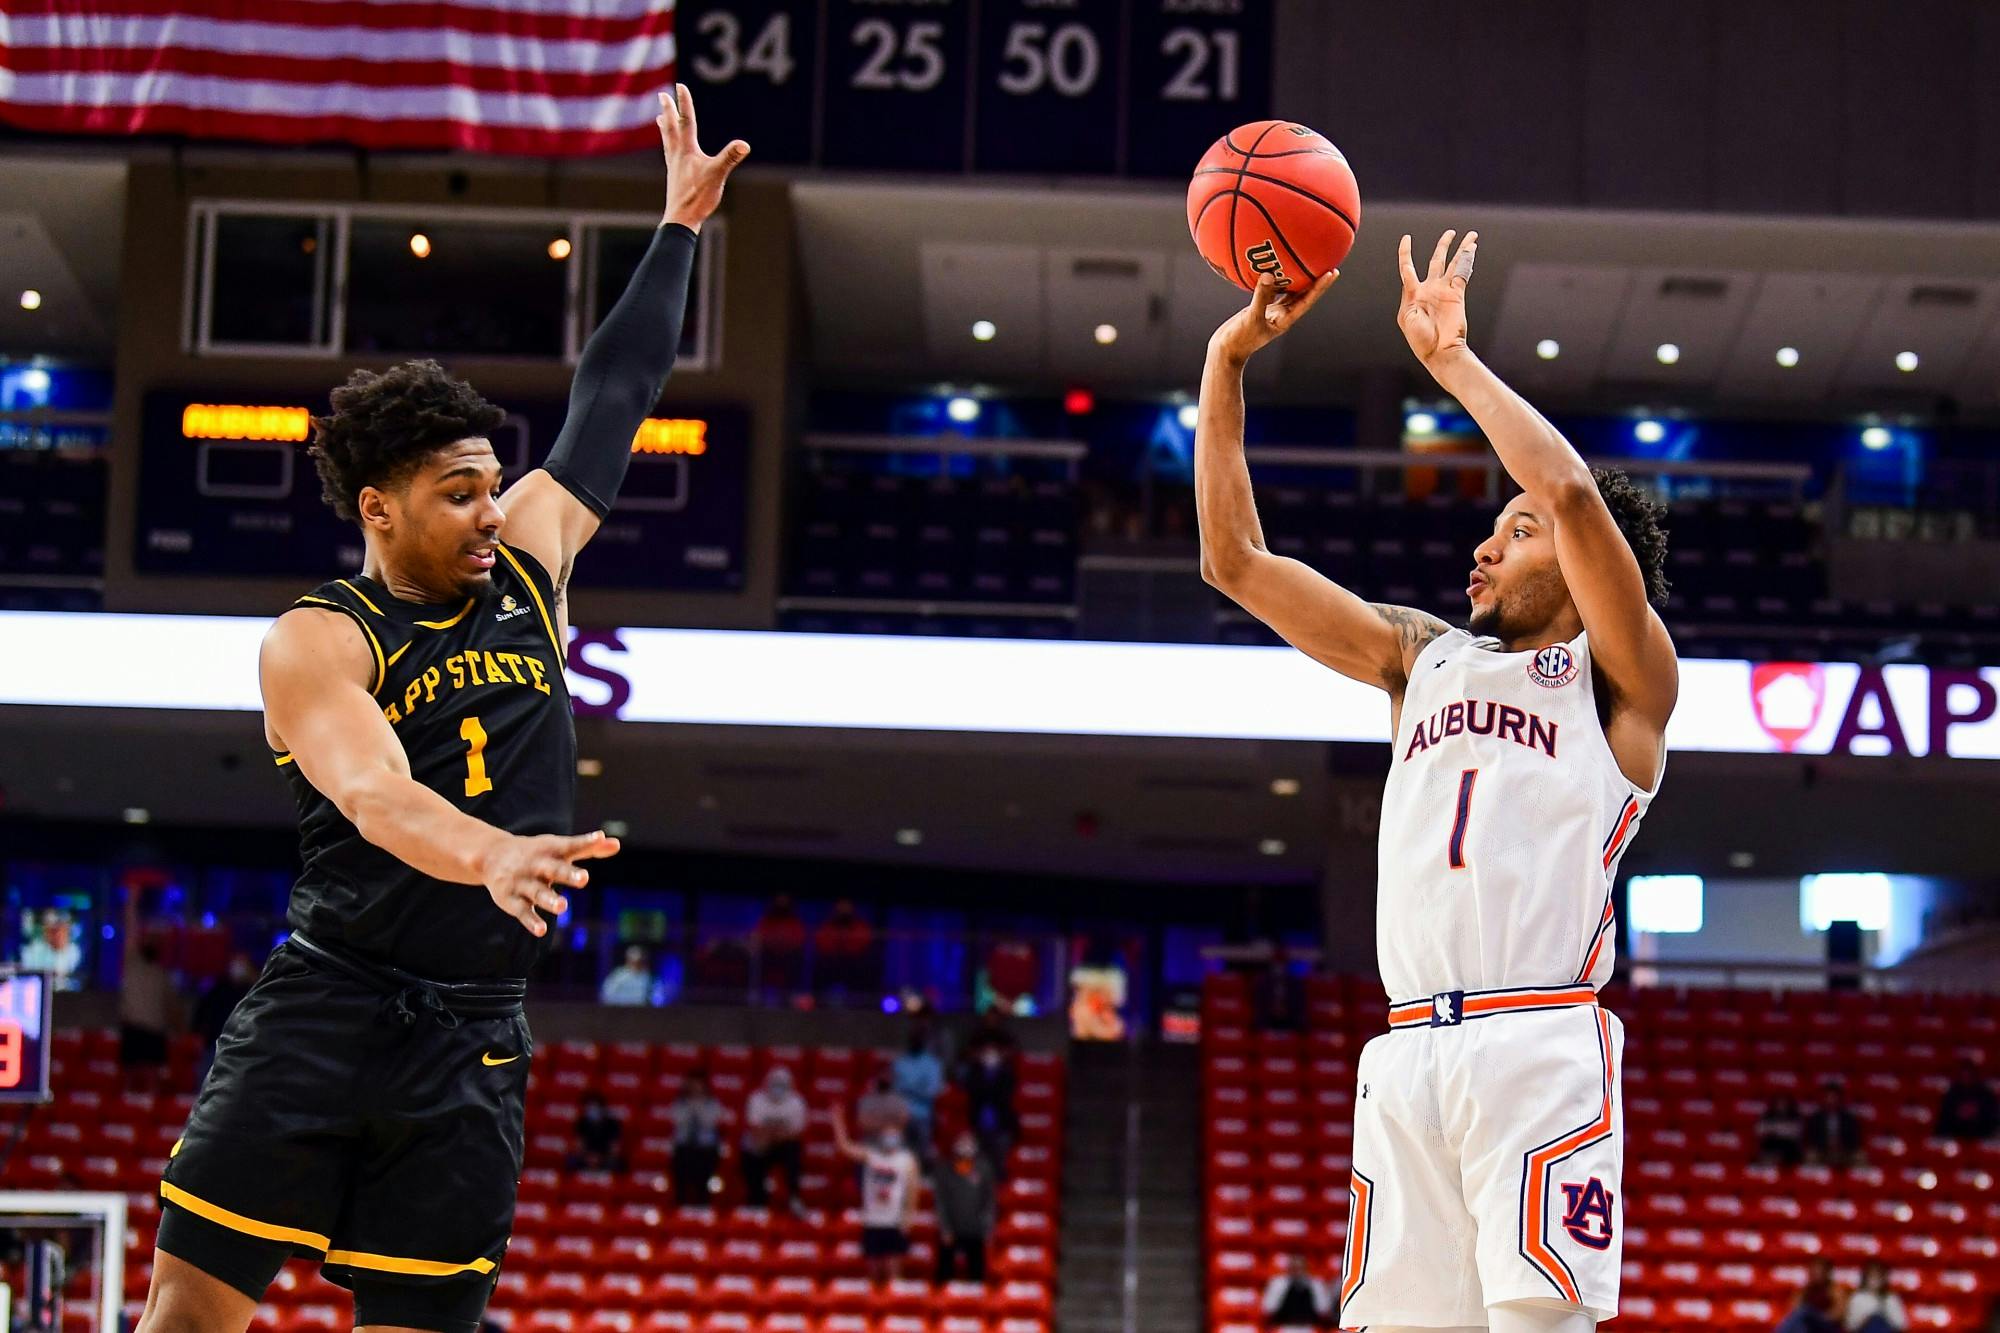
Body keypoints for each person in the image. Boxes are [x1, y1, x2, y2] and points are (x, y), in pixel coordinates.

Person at [140, 87, 748, 1333]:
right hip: (326, 1005)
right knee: (189, 1316)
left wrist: (677, 231)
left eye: (491, 484)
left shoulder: (528, 563)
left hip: (472, 1036)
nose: (490, 511)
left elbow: (614, 393)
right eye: (459, 492)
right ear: (378, 507)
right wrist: (493, 855)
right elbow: (374, 795)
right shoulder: (319, 638)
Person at [1196, 231, 1678, 1333]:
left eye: (1515, 531)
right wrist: (1226, 363)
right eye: (1491, 529)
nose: (1484, 547)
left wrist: (1452, 362)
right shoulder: (1421, 657)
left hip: (1537, 1041)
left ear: (1581, 564)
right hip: (1407, 1047)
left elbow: (1567, 490)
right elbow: (1235, 562)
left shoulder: (1621, 680)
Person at [831, 1105, 920, 1284]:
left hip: (895, 1221)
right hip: (873, 1220)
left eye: (894, 1135)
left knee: (894, 1272)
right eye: (887, 1135)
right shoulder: (871, 1155)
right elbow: (844, 1147)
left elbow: (912, 1191)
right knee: (874, 1271)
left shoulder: (906, 1160)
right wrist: (837, 1122)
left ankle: (893, 1301)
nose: (890, 1139)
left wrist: (908, 1217)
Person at [119, 889, 181, 1094]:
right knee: (130, 1079)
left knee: (152, 1078)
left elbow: (173, 1008)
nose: (151, 942)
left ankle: (150, 1107)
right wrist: (132, 899)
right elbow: (131, 929)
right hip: (133, 1029)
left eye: (156, 940)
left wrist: (179, 1029)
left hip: (154, 1032)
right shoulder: (133, 962)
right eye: (149, 938)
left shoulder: (163, 975)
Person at [958, 1014, 1019, 1177]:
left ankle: (999, 1184)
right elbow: (972, 1091)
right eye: (986, 1050)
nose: (990, 1053)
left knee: (999, 1162)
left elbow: (1006, 1094)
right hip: (978, 1122)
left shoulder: (1006, 1074)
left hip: (1000, 1123)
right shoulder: (975, 1073)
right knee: (977, 1163)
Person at [931, 1133, 996, 1286]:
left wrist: (987, 1228)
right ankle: (943, 1298)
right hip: (951, 1229)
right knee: (945, 1272)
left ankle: (976, 1298)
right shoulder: (945, 1170)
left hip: (975, 1229)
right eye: (962, 1144)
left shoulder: (984, 1169)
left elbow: (989, 1201)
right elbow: (940, 1201)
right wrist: (945, 1228)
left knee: (976, 1272)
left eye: (969, 1144)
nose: (965, 1149)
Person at [740, 1067, 808, 1213]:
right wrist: (777, 1133)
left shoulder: (797, 1103)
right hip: (762, 1144)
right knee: (750, 1152)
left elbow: (796, 1133)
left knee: (793, 1150)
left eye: (782, 1084)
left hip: (784, 1146)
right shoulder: (756, 1099)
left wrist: (774, 1134)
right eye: (775, 1083)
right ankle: (756, 1201)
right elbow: (755, 1129)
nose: (778, 1088)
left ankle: (794, 1198)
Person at [190, 954, 257, 1091]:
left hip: (241, 1048)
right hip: (214, 1046)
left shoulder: (252, 991)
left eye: (242, 964)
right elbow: (201, 1011)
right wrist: (197, 1033)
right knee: (205, 1084)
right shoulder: (219, 987)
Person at [668, 1072, 725, 1208]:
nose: (695, 1088)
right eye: (692, 1084)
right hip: (684, 1147)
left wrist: (698, 1106)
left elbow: (709, 1122)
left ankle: (702, 1208)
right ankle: (680, 1208)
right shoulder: (679, 1103)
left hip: (705, 1149)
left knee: (703, 1183)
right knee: (681, 1180)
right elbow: (677, 1120)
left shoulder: (712, 1103)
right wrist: (690, 1106)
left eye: (698, 1084)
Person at [893, 1025, 946, 1155]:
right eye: (913, 1039)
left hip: (923, 1116)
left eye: (918, 1040)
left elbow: (932, 1091)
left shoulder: (932, 1063)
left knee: (923, 1154)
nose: (915, 1042)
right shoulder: (901, 1062)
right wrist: (919, 1086)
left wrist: (909, 1088)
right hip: (902, 1116)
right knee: (901, 1154)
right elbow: (896, 1088)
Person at [814, 899, 876, 996]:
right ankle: (818, 1000)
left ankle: (861, 1000)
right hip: (831, 962)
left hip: (854, 962)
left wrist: (847, 948)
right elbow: (822, 943)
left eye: (846, 906)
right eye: (841, 906)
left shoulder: (860, 927)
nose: (844, 909)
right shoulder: (827, 926)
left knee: (865, 967)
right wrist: (836, 950)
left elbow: (863, 945)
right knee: (821, 966)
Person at [1262, 1253, 1336, 1329]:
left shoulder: (1316, 1284)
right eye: (1294, 1268)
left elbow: (1323, 1309)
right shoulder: (1277, 1283)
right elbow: (1268, 1308)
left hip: (1310, 1327)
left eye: (1300, 1268)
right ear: (1289, 1268)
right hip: (1284, 1326)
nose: (1297, 1271)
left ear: (1306, 1269)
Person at [753, 893, 808, 994]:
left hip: (788, 955)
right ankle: (758, 993)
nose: (781, 903)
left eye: (784, 901)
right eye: (779, 901)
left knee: (797, 958)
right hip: (769, 954)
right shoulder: (766, 921)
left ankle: (791, 993)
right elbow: (759, 937)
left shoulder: (795, 922)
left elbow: (799, 940)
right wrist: (774, 943)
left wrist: (784, 945)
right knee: (759, 957)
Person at [1777, 1259, 1847, 1333]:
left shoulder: (1834, 1289)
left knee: (1804, 1312)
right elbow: (1794, 1308)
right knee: (1801, 1323)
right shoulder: (1806, 1289)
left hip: (1827, 1325)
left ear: (1827, 1272)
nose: (1816, 1274)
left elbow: (1839, 1313)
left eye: (1819, 1271)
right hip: (1809, 1325)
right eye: (1814, 1271)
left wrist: (1817, 1317)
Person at [1936, 1059, 1999, 1141]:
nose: (1966, 1079)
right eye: (1964, 1076)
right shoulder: (1951, 1094)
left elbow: (1991, 1118)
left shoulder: (1986, 1094)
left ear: (1974, 1076)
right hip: (1955, 1133)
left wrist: (1975, 1112)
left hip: (1981, 1133)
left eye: (1969, 1076)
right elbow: (1945, 1117)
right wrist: (1960, 1112)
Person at [1805, 1083, 1864, 1167]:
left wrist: (1842, 1147)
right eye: (1828, 1097)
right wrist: (1826, 1146)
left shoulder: (1849, 1119)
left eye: (1834, 1097)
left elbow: (1854, 1139)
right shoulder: (1816, 1118)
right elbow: (1812, 1139)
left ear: (1839, 1099)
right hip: (1822, 1151)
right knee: (1811, 1155)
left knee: (1860, 1156)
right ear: (1824, 1099)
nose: (1831, 1100)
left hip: (1844, 1151)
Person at [568, 1092, 626, 1173]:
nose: (591, 1110)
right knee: (571, 1161)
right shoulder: (581, 1123)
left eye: (595, 1107)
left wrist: (601, 1158)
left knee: (616, 1163)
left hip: (605, 1157)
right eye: (589, 1107)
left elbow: (615, 1148)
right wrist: (588, 1157)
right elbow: (578, 1145)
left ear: (602, 1108)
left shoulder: (612, 1124)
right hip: (586, 1157)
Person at [1845, 1262, 1906, 1333]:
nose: (1874, 1280)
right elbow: (1850, 1326)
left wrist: (1886, 1317)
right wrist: (1864, 1320)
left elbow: (1901, 1325)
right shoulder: (1857, 1298)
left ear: (1883, 1279)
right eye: (1871, 1276)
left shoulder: (1891, 1298)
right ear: (1865, 1278)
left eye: (1878, 1277)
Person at [856, 1069, 911, 1140]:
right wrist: (880, 1126)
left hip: (892, 1135)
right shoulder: (867, 1100)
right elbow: (862, 1121)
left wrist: (888, 1127)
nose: (884, 1081)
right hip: (872, 1135)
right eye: (881, 1079)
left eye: (886, 1079)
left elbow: (904, 1119)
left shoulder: (898, 1101)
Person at [1756, 1095, 1807, 1167]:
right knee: (1767, 1148)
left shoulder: (1795, 1116)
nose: (1781, 1106)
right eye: (1779, 1104)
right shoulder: (1768, 1115)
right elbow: (1759, 1130)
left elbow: (1797, 1131)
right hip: (1771, 1143)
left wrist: (1774, 1128)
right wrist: (1783, 1129)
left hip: (1789, 1144)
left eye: (1784, 1104)